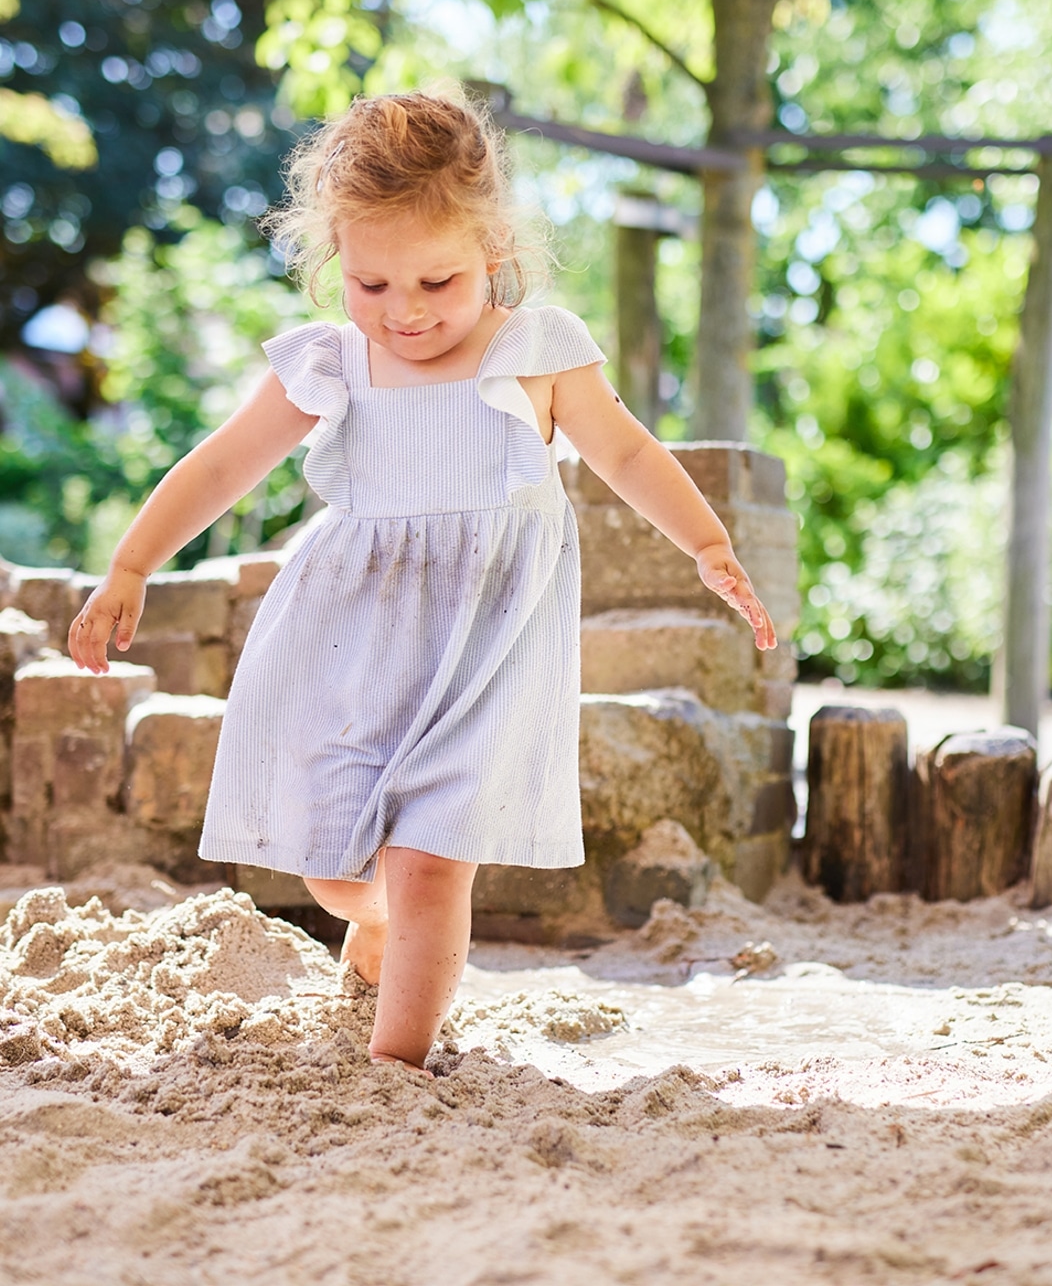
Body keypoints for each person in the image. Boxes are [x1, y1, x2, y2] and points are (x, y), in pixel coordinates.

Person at [67, 87, 776, 1074]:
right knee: (334, 870)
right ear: (337, 267)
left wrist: (706, 543)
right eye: (370, 285)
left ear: (493, 249)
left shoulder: (537, 351)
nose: (402, 312)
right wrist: (133, 564)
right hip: (353, 640)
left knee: (435, 857)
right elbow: (223, 463)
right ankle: (385, 925)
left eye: (436, 283)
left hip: (485, 646)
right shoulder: (332, 363)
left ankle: (396, 1065)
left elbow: (629, 452)